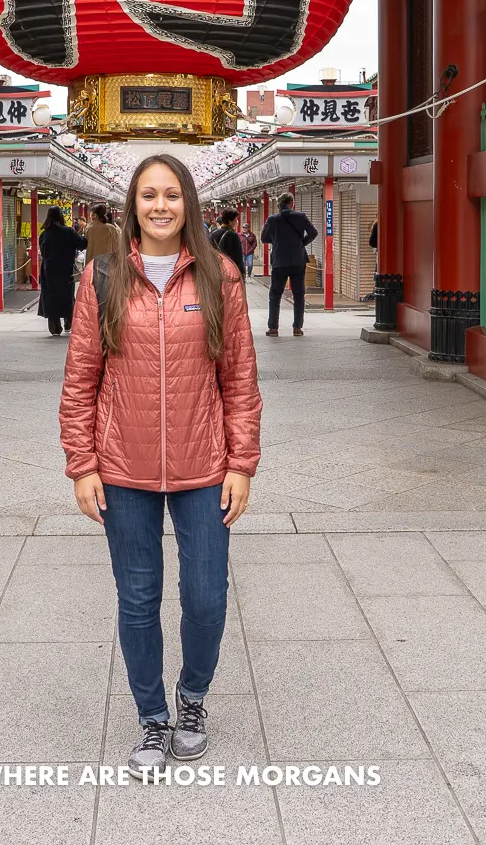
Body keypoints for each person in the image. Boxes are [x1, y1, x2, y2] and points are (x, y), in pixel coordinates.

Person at [59, 154, 261, 779]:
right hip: (123, 467)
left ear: (189, 203)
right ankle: (151, 714)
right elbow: (80, 380)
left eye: (172, 194)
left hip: (206, 467)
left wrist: (243, 462)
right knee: (138, 599)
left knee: (206, 599)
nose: (160, 206)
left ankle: (192, 699)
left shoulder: (220, 276)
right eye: (149, 195)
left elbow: (240, 378)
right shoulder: (103, 278)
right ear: (133, 206)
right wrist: (82, 464)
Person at [260, 193, 317, 337]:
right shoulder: (300, 216)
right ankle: (297, 328)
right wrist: (301, 243)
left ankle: (273, 328)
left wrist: (277, 240)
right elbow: (313, 232)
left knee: (275, 294)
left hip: (279, 260)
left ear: (279, 204)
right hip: (298, 260)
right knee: (299, 295)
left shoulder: (272, 219)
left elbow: (264, 238)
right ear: (292, 203)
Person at [38, 208, 86, 336]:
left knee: (51, 296)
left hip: (48, 271)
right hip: (65, 270)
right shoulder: (69, 231)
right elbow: (82, 244)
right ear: (61, 217)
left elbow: (42, 253)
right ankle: (68, 322)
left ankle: (54, 327)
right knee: (66, 296)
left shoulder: (44, 234)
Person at [210, 209, 247, 278]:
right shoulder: (233, 235)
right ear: (230, 222)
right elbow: (238, 257)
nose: (237, 222)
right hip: (229, 271)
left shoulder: (213, 233)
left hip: (214, 269)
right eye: (236, 220)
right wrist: (242, 272)